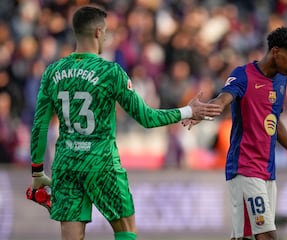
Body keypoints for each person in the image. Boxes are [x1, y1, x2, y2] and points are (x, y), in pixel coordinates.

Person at [29, 5, 222, 240]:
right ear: (99, 32)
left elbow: (39, 125)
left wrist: (37, 170)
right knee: (126, 231)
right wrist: (188, 110)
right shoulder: (110, 72)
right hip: (101, 163)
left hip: (66, 164)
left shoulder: (52, 72)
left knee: (71, 236)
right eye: (107, 31)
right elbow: (147, 118)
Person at [182, 26, 287, 240]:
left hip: (267, 169)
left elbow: (274, 121)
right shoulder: (244, 75)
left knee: (245, 237)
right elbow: (222, 101)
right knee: (267, 235)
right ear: (276, 52)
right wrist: (204, 111)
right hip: (245, 167)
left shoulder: (281, 80)